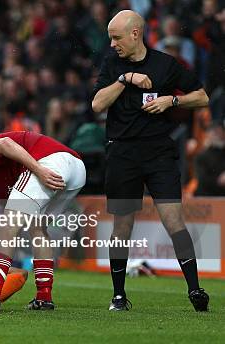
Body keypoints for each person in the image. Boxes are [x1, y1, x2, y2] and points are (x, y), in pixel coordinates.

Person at [91, 10, 210, 312]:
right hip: (122, 154)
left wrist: (172, 100)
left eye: (117, 37)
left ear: (135, 34)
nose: (113, 44)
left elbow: (203, 97)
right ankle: (118, 295)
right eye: (109, 38)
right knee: (122, 227)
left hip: (158, 152)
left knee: (173, 220)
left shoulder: (165, 64)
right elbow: (97, 104)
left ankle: (195, 290)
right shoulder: (111, 64)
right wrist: (124, 78)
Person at [0, 130, 86, 311]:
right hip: (77, 170)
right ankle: (44, 297)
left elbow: (5, 144)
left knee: (7, 225)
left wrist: (39, 170)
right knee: (37, 228)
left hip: (51, 161)